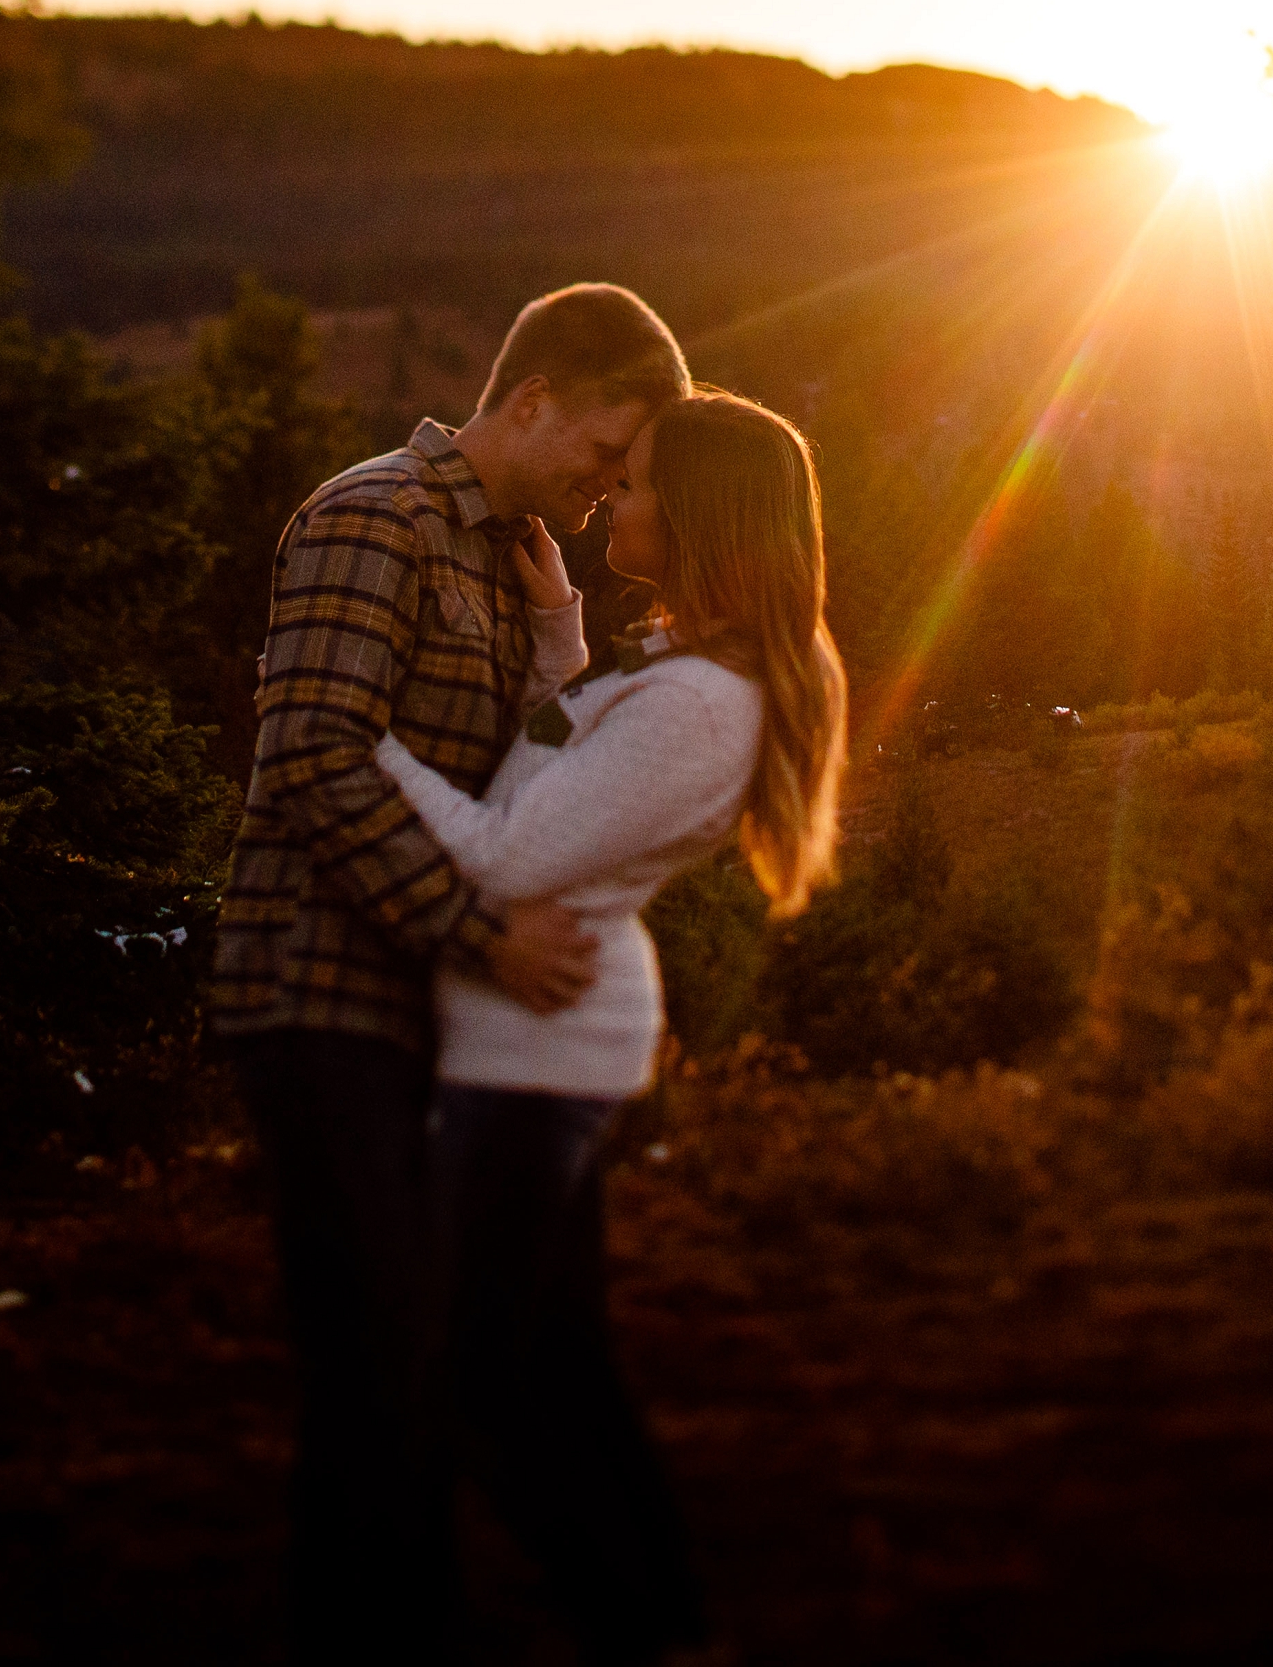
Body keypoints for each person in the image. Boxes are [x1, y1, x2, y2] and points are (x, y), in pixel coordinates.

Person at [211, 281, 693, 1659]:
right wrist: (482, 935)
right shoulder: (379, 519)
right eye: (607, 450)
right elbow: (310, 755)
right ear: (532, 399)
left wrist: (560, 648)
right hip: (321, 993)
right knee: (381, 1365)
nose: (611, 487)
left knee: (423, 1357)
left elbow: (504, 781)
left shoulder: (507, 549)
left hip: (414, 1002)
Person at [376, 389, 850, 1667]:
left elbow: (506, 850)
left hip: (532, 1058)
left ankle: (634, 1629)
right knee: (566, 1373)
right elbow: (574, 767)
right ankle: (675, 1627)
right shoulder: (682, 674)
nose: (607, 501)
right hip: (535, 1041)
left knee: (474, 1389)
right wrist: (554, 628)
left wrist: (349, 732)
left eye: (632, 483)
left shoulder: (700, 702)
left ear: (693, 512)